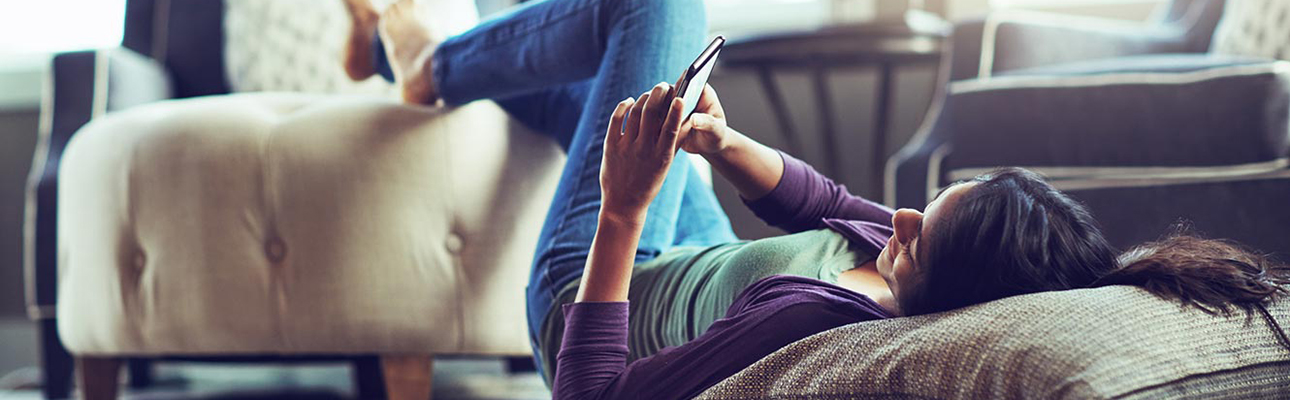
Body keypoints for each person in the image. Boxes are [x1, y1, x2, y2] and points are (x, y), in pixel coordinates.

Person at [343, 0, 1290, 398]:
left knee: (650, 8)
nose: (899, 219)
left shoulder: (812, 317)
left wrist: (625, 209)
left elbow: (594, 395)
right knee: (587, 91)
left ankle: (427, 57)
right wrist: (722, 144)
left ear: (945, 294)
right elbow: (825, 203)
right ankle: (409, 49)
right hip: (695, 259)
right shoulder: (919, 268)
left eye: (917, 232)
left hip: (585, 302)